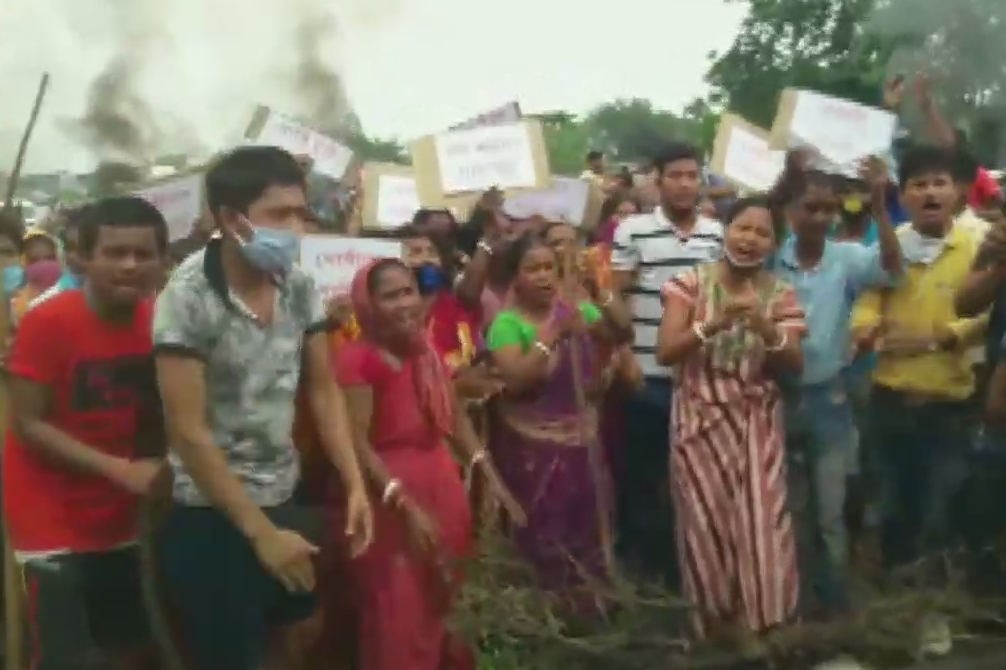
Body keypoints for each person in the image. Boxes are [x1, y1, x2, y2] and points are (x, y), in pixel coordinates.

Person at [152, 145, 374, 670]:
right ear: (231, 219)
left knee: (296, 640)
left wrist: (354, 479)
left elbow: (322, 390)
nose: (295, 228)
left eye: (300, 213)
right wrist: (261, 534)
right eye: (279, 214)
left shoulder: (297, 287)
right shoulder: (186, 298)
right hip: (213, 514)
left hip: (284, 495)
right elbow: (189, 432)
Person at [321, 258, 523, 670]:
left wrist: (492, 478)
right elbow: (357, 443)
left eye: (408, 291)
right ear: (368, 304)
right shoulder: (357, 360)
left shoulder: (424, 350)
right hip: (389, 499)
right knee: (401, 613)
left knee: (450, 601)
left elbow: (454, 418)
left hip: (442, 487)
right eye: (390, 295)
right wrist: (405, 505)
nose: (404, 304)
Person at [3, 196, 170, 670]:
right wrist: (120, 469)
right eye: (115, 253)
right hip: (50, 517)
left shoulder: (161, 322)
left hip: (124, 513)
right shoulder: (47, 321)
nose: (130, 265)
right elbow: (28, 423)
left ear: (162, 261)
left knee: (130, 648)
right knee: (66, 656)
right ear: (82, 259)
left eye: (143, 254)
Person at [655, 196, 805, 644]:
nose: (750, 240)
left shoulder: (780, 293)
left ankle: (766, 628)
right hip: (698, 419)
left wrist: (764, 326)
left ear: (775, 242)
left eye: (762, 233)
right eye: (743, 228)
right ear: (725, 229)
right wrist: (713, 323)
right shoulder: (689, 284)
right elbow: (666, 352)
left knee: (764, 525)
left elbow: (795, 362)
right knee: (704, 526)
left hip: (756, 421)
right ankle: (713, 633)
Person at [773, 162, 901, 615]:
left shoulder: (845, 256)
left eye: (829, 208)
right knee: (786, 510)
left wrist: (882, 210)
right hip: (776, 399)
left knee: (830, 511)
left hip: (829, 398)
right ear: (790, 211)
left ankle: (836, 606)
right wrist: (788, 172)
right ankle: (791, 600)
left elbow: (890, 267)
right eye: (811, 207)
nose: (821, 217)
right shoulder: (772, 256)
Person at [852, 145, 986, 572]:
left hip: (949, 403)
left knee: (940, 506)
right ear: (904, 196)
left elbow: (988, 311)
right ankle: (893, 602)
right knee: (891, 506)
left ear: (957, 193)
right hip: (889, 397)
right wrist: (866, 327)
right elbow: (868, 301)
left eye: (939, 183)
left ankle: (932, 612)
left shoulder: (977, 246)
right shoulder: (892, 246)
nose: (930, 192)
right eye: (919, 184)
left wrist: (947, 336)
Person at [487, 233, 628, 591]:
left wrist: (601, 294)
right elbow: (516, 379)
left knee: (587, 537)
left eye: (549, 267)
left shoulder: (577, 311)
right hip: (533, 457)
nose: (543, 276)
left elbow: (618, 335)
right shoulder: (506, 325)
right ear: (514, 277)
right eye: (532, 269)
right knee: (542, 539)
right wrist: (551, 336)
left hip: (583, 450)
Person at [610, 142, 723, 580]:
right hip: (645, 376)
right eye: (674, 175)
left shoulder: (716, 234)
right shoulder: (633, 231)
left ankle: (688, 574)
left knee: (691, 483)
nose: (684, 184)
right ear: (657, 182)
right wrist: (622, 356)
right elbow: (616, 297)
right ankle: (641, 578)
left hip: (697, 378)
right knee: (642, 480)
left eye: (692, 175)